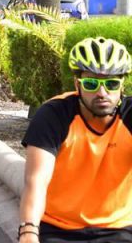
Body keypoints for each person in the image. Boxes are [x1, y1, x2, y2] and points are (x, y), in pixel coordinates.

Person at [19, 37, 132, 243]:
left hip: (118, 228)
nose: (102, 93)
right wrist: (28, 231)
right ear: (77, 84)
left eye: (112, 83)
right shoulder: (54, 114)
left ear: (122, 86)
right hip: (58, 228)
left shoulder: (130, 116)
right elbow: (36, 180)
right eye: (91, 83)